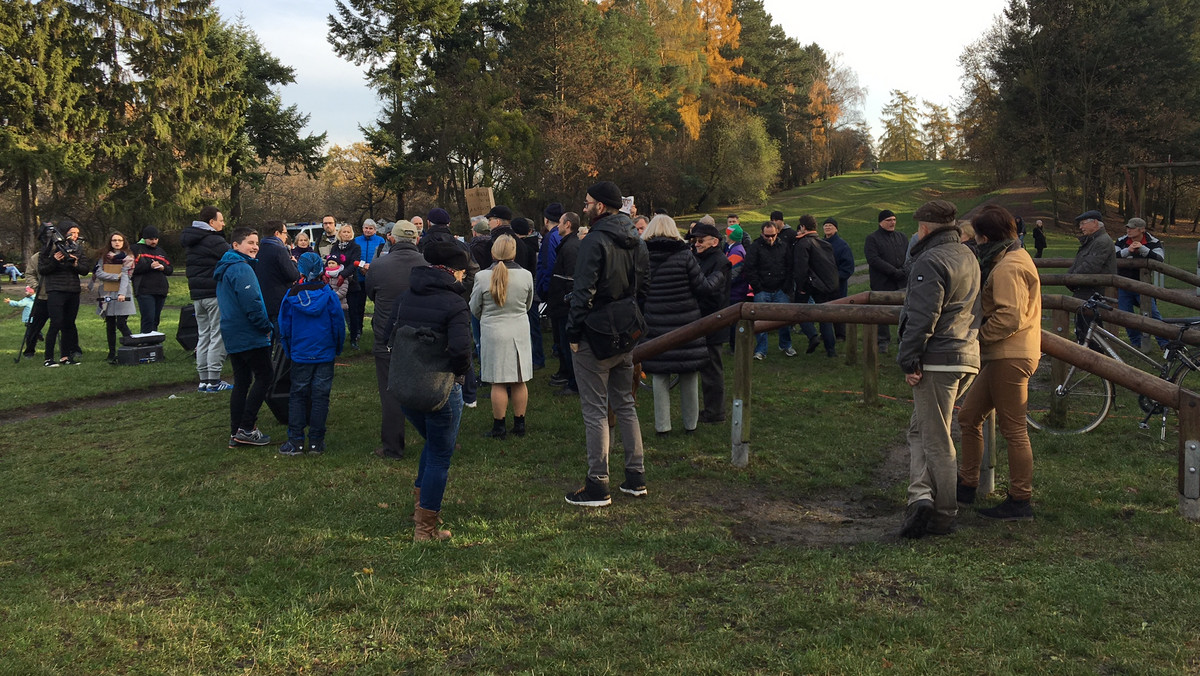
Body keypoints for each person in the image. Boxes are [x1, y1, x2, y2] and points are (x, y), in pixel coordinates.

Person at [897, 200, 981, 539]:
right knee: (921, 428)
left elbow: (923, 316)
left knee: (936, 438)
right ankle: (920, 497)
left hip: (938, 358)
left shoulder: (929, 261)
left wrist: (909, 357)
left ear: (925, 228)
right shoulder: (968, 255)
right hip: (966, 354)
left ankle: (943, 513)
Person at [564, 181, 649, 507]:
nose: (584, 207)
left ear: (601, 206)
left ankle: (598, 484)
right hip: (625, 330)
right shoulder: (634, 238)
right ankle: (635, 476)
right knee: (625, 403)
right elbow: (644, 286)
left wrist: (573, 334)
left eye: (588, 203)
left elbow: (582, 292)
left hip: (595, 333)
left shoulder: (596, 240)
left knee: (596, 409)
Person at [957, 204, 1040, 521]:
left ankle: (1020, 500)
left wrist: (976, 339)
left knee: (1014, 429)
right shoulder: (1013, 256)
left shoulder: (1008, 267)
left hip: (1010, 354)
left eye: (976, 236)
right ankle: (967, 483)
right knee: (968, 416)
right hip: (1003, 354)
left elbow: (1009, 316)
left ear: (985, 236)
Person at [389, 241, 472, 541]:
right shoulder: (455, 304)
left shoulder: (406, 296)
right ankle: (425, 528)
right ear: (454, 271)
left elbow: (390, 333)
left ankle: (420, 509)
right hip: (440, 390)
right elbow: (462, 350)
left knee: (432, 445)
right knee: (439, 453)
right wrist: (460, 376)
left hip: (407, 387)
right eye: (463, 271)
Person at [641, 215, 717, 434]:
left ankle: (662, 425)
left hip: (655, 319)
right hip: (686, 321)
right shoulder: (685, 255)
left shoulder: (642, 256)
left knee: (659, 375)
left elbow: (639, 290)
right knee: (689, 373)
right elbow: (701, 287)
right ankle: (690, 423)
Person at [365, 220, 424, 459]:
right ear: (416, 239)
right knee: (425, 390)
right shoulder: (427, 265)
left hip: (386, 336)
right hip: (419, 337)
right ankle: (438, 438)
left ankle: (392, 447)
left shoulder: (378, 266)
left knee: (390, 393)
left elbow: (371, 293)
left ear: (392, 239)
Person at [278, 252, 345, 456]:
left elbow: (284, 327)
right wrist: (337, 347)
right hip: (324, 352)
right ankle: (316, 441)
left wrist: (289, 350)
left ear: (301, 270)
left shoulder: (291, 296)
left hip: (300, 352)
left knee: (298, 395)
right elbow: (338, 325)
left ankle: (296, 440)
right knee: (320, 396)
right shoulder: (329, 295)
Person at [215, 227, 274, 449]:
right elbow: (252, 303)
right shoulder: (241, 269)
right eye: (250, 242)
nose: (255, 247)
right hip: (248, 332)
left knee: (242, 382)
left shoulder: (225, 268)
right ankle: (247, 428)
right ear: (236, 246)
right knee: (265, 376)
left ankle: (236, 431)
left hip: (231, 331)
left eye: (256, 242)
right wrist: (265, 326)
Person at [471, 235, 535, 439]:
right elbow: (529, 304)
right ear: (514, 252)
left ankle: (499, 428)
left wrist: (489, 317)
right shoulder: (526, 275)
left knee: (497, 382)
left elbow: (474, 307)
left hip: (493, 331)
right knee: (519, 380)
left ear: (492, 252)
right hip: (518, 329)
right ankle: (520, 425)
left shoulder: (481, 277)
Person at [181, 206, 233, 392]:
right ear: (211, 222)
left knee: (203, 335)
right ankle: (214, 380)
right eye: (221, 220)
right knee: (218, 336)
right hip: (214, 293)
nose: (223, 223)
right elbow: (232, 257)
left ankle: (203, 380)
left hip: (197, 296)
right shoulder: (213, 239)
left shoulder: (192, 239)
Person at [691, 221, 732, 423]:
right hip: (701, 319)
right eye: (694, 240)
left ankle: (715, 412)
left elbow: (714, 294)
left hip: (713, 320)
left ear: (715, 241)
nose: (696, 244)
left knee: (712, 368)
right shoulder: (700, 258)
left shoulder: (720, 261)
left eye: (700, 240)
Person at [39, 221, 91, 367]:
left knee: (69, 324)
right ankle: (48, 358)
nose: (75, 236)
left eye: (77, 234)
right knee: (56, 323)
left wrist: (75, 264)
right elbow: (43, 269)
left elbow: (85, 269)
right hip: (55, 289)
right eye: (72, 233)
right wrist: (55, 260)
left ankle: (65, 356)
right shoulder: (49, 248)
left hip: (73, 290)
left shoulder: (78, 249)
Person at [744, 221, 794, 360]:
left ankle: (785, 345)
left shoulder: (784, 246)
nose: (770, 238)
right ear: (762, 234)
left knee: (785, 319)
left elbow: (790, 267)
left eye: (773, 235)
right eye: (767, 236)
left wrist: (786, 287)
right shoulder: (755, 247)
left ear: (777, 233)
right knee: (760, 322)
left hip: (780, 289)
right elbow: (750, 268)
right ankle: (761, 349)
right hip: (762, 289)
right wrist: (757, 287)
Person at [1115, 217, 1167, 350]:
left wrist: (1142, 249)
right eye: (1128, 227)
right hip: (1124, 284)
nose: (1129, 230)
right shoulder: (1121, 241)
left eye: (1132, 228)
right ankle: (1136, 343)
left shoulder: (1153, 242)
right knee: (1125, 314)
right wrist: (1128, 251)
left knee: (1153, 314)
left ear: (1142, 230)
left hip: (1143, 285)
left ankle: (1164, 343)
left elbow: (1160, 259)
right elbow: (1112, 256)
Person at [1065, 210, 1116, 343]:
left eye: (1083, 223)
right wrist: (1069, 277)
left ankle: (1095, 360)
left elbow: (1090, 266)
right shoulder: (1093, 240)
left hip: (1094, 292)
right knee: (1084, 329)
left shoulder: (1102, 241)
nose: (1081, 227)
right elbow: (1079, 263)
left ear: (1095, 222)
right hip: (1086, 291)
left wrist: (1070, 279)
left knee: (1091, 332)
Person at [791, 215, 839, 358]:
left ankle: (812, 335)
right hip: (825, 284)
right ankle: (831, 349)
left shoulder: (802, 243)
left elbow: (801, 268)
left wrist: (800, 286)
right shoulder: (823, 243)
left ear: (803, 227)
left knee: (799, 310)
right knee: (824, 316)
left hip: (809, 283)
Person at [546, 211, 582, 395]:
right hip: (560, 304)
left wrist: (566, 301)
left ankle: (575, 383)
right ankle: (569, 377)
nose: (557, 226)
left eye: (560, 223)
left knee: (569, 346)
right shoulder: (567, 245)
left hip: (565, 307)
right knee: (563, 343)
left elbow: (572, 279)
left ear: (568, 224)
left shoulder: (571, 248)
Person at [864, 209, 909, 353]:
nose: (892, 223)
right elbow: (873, 259)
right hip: (882, 281)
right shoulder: (873, 238)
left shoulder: (901, 237)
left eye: (894, 220)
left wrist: (903, 270)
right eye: (888, 220)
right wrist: (893, 271)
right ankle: (883, 340)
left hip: (901, 281)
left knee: (905, 311)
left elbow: (909, 255)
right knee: (881, 311)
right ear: (881, 222)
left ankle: (903, 338)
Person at [92, 231, 138, 363]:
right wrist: (113, 276)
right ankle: (111, 352)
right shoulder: (104, 257)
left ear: (123, 242)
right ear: (110, 242)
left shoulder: (128, 257)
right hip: (107, 292)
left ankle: (132, 347)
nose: (117, 242)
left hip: (123, 292)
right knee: (110, 323)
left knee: (121, 323)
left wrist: (121, 293)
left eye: (119, 240)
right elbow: (99, 272)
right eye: (114, 240)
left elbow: (125, 276)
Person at [511, 217, 544, 370]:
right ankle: (537, 357)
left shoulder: (522, 248)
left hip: (526, 290)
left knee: (531, 326)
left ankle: (536, 358)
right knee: (533, 326)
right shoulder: (533, 246)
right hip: (532, 289)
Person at [255, 220, 300, 330]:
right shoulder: (279, 250)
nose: (286, 237)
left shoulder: (258, 250)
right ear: (277, 233)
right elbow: (293, 275)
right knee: (281, 335)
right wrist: (293, 263)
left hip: (263, 299)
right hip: (279, 300)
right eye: (285, 233)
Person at [131, 225, 173, 334]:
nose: (154, 242)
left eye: (156, 239)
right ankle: (145, 342)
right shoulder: (136, 249)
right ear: (144, 238)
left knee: (155, 319)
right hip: (144, 289)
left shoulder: (161, 252)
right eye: (151, 239)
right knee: (148, 318)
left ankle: (154, 343)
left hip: (160, 289)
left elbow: (170, 269)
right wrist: (149, 266)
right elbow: (131, 269)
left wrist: (163, 268)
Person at [350, 219, 385, 348]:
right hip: (359, 277)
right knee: (359, 305)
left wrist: (371, 267)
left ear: (375, 230)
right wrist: (361, 267)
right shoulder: (356, 240)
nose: (368, 230)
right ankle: (358, 329)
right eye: (366, 228)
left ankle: (378, 328)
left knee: (378, 303)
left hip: (374, 276)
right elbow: (354, 256)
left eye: (370, 228)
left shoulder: (380, 241)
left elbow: (382, 257)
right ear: (363, 228)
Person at [537, 203, 565, 364]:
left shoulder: (550, 238)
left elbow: (547, 266)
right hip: (562, 288)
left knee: (559, 330)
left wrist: (544, 290)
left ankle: (563, 364)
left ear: (546, 220)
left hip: (554, 290)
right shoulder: (563, 234)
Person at [328, 224, 363, 348]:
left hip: (351, 284)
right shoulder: (334, 248)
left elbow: (355, 263)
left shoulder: (356, 247)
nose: (346, 234)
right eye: (344, 232)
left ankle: (354, 338)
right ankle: (335, 339)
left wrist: (343, 275)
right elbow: (330, 262)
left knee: (353, 312)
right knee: (335, 312)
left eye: (349, 232)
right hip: (335, 285)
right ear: (340, 233)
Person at [823, 217, 854, 340]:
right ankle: (825, 333)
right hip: (823, 284)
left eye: (830, 225)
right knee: (823, 309)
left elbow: (848, 268)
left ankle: (840, 334)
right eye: (825, 225)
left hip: (838, 284)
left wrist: (836, 277)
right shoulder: (820, 243)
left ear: (836, 228)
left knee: (838, 309)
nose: (827, 227)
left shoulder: (842, 245)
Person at [726, 223, 750, 350]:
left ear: (731, 236)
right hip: (737, 290)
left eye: (727, 233)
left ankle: (734, 347)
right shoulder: (735, 248)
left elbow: (731, 274)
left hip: (736, 292)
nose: (725, 235)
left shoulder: (736, 251)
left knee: (734, 321)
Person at [21, 249, 49, 357]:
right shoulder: (37, 257)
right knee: (35, 325)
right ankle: (29, 349)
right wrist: (37, 286)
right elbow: (29, 273)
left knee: (65, 324)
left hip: (59, 296)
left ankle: (71, 349)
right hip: (42, 296)